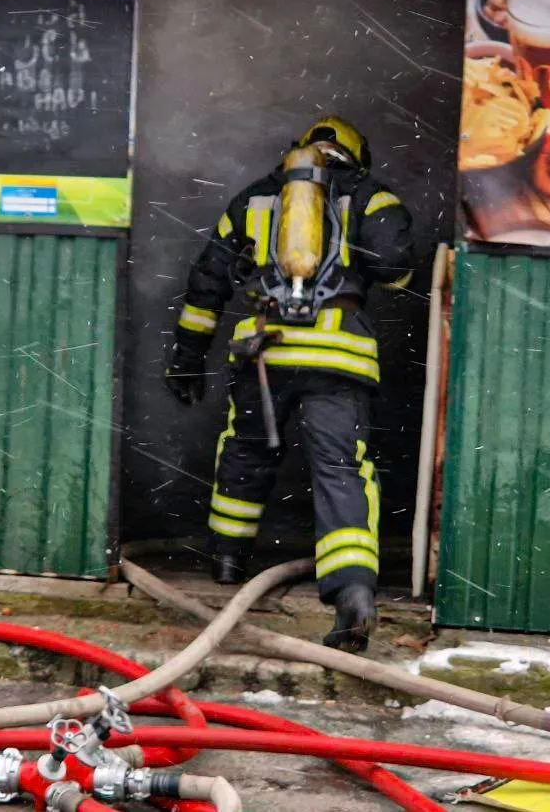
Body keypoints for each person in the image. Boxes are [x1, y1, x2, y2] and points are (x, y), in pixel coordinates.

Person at [163, 116, 415, 652]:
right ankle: (352, 593)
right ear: (357, 155)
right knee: (341, 467)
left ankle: (227, 562)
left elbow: (208, 282)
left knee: (247, 450)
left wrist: (188, 356)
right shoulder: (371, 195)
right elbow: (396, 268)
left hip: (265, 351)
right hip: (338, 354)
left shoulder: (257, 197)